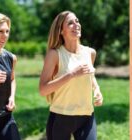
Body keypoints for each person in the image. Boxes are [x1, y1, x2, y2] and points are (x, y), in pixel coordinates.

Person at [39, 11, 103, 140]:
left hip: (86, 116)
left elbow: (90, 75)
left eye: (77, 21)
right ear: (61, 31)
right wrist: (72, 74)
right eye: (70, 23)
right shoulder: (54, 54)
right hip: (60, 117)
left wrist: (97, 90)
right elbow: (43, 89)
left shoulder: (90, 53)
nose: (76, 25)